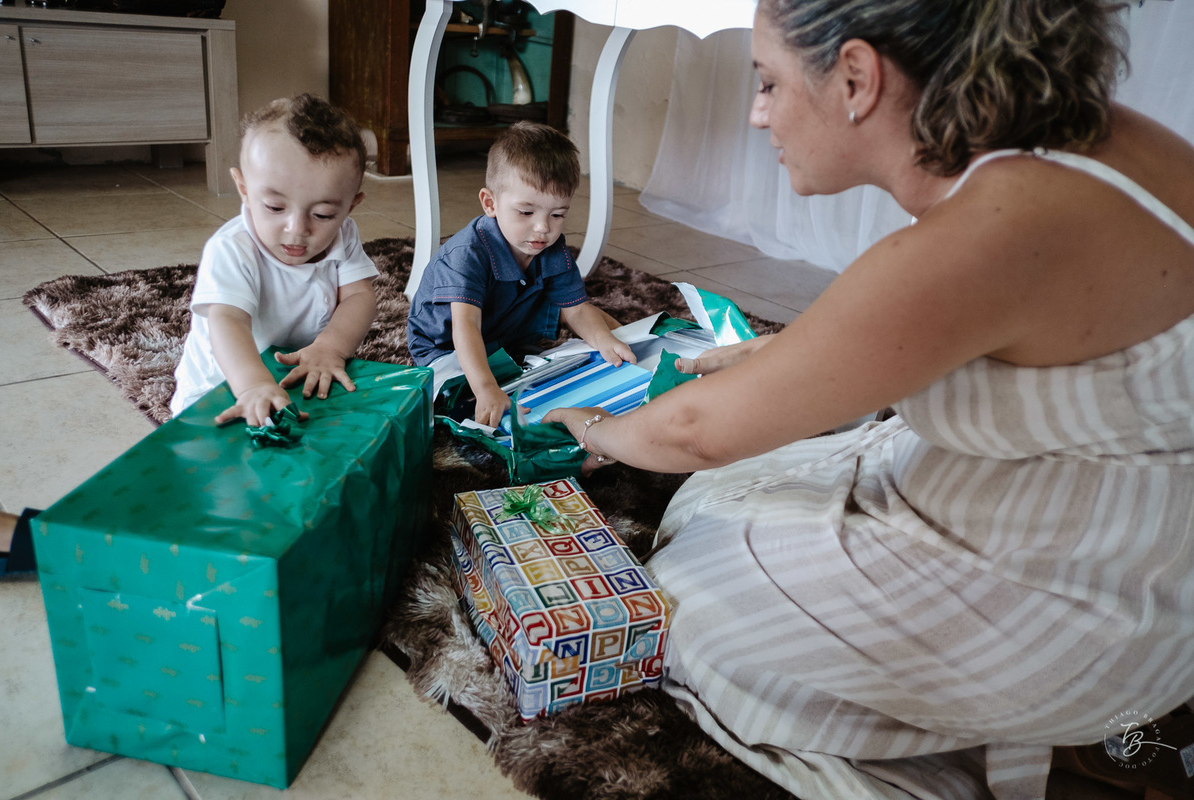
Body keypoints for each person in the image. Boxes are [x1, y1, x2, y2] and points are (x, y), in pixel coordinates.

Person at [544, 0, 1194, 797]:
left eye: (768, 82)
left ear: (856, 77)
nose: (756, 114)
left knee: (680, 611)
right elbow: (995, 327)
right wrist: (782, 353)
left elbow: (692, 434)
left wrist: (597, 427)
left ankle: (1026, 737)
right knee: (720, 503)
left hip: (1089, 604)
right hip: (1115, 526)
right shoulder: (1079, 136)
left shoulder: (985, 232)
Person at [406, 121, 635, 428]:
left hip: (510, 333)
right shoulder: (467, 253)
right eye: (526, 212)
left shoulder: (553, 247)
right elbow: (466, 325)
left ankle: (633, 349)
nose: (543, 228)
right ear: (490, 203)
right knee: (461, 404)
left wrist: (605, 341)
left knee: (591, 346)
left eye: (557, 215)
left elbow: (577, 309)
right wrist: (486, 388)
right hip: (447, 347)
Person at [170, 94, 378, 426]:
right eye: (275, 208)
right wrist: (253, 385)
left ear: (350, 206)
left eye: (323, 214)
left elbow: (359, 295)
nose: (298, 230)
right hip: (224, 389)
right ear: (244, 189)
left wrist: (331, 347)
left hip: (297, 375)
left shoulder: (345, 233)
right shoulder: (232, 249)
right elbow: (228, 320)